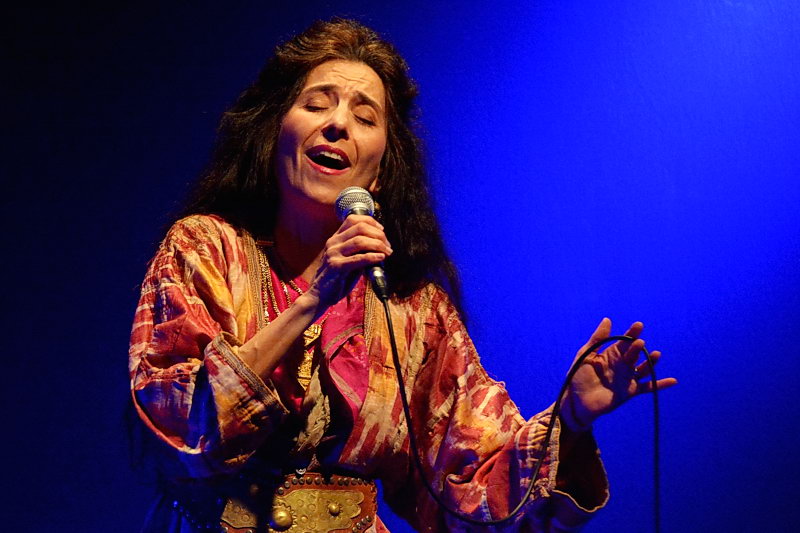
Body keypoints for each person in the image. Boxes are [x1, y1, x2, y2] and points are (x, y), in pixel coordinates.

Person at [129, 17, 676, 533]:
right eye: (316, 104)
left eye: (366, 118)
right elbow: (176, 430)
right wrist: (311, 300)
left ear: (381, 172)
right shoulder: (204, 248)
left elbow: (467, 493)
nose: (337, 124)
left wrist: (568, 421)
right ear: (275, 134)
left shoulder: (414, 312)